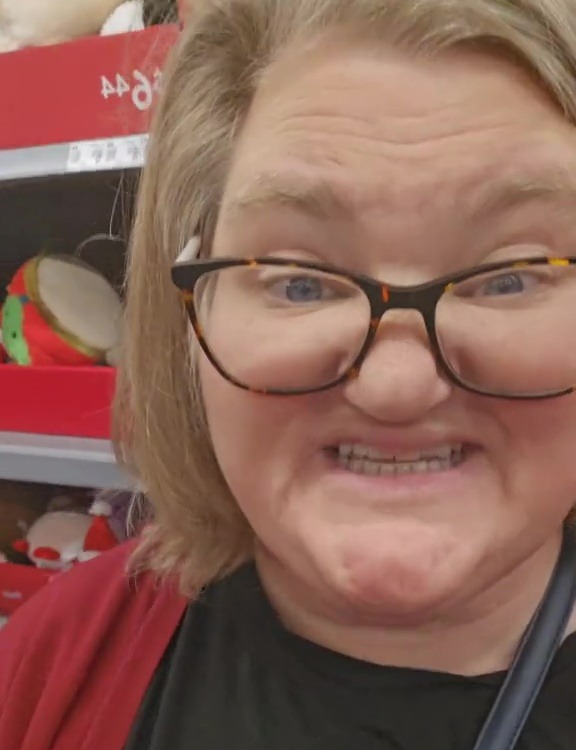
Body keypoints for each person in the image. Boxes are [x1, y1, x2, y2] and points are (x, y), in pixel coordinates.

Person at [3, 0, 576, 748]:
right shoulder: (52, 664)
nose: (395, 386)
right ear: (188, 308)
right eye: (299, 281)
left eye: (509, 277)